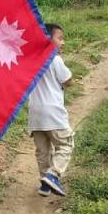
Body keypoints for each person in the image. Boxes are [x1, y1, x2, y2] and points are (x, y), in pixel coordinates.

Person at [27, 23, 74, 197]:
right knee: (65, 145)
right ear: (48, 39)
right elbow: (67, 80)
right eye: (60, 38)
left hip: (35, 115)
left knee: (42, 151)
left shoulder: (31, 59)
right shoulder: (55, 59)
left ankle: (44, 183)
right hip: (53, 112)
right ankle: (53, 175)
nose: (63, 43)